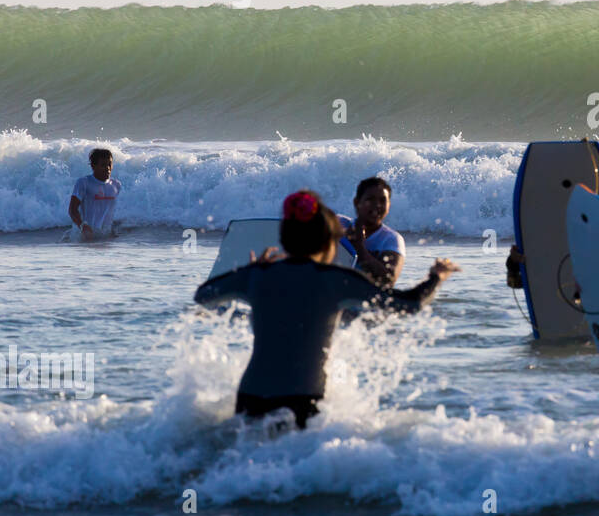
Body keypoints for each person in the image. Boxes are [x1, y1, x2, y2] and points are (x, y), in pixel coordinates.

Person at [194, 190, 460, 429]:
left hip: (250, 399)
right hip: (301, 401)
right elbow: (408, 304)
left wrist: (248, 270)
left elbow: (204, 296)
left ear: (285, 236)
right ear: (327, 241)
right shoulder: (337, 279)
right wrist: (436, 277)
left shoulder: (258, 276)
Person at [338, 177, 406, 287]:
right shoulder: (339, 223)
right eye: (370, 199)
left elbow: (389, 280)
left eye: (382, 200)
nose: (377, 205)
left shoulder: (391, 239)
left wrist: (359, 247)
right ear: (357, 202)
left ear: (389, 206)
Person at [68, 148, 121, 240]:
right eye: (103, 165)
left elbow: (117, 211)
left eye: (110, 164)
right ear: (93, 166)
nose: (108, 168)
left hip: (106, 237)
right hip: (85, 236)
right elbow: (72, 210)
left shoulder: (116, 185)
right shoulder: (84, 183)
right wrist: (82, 226)